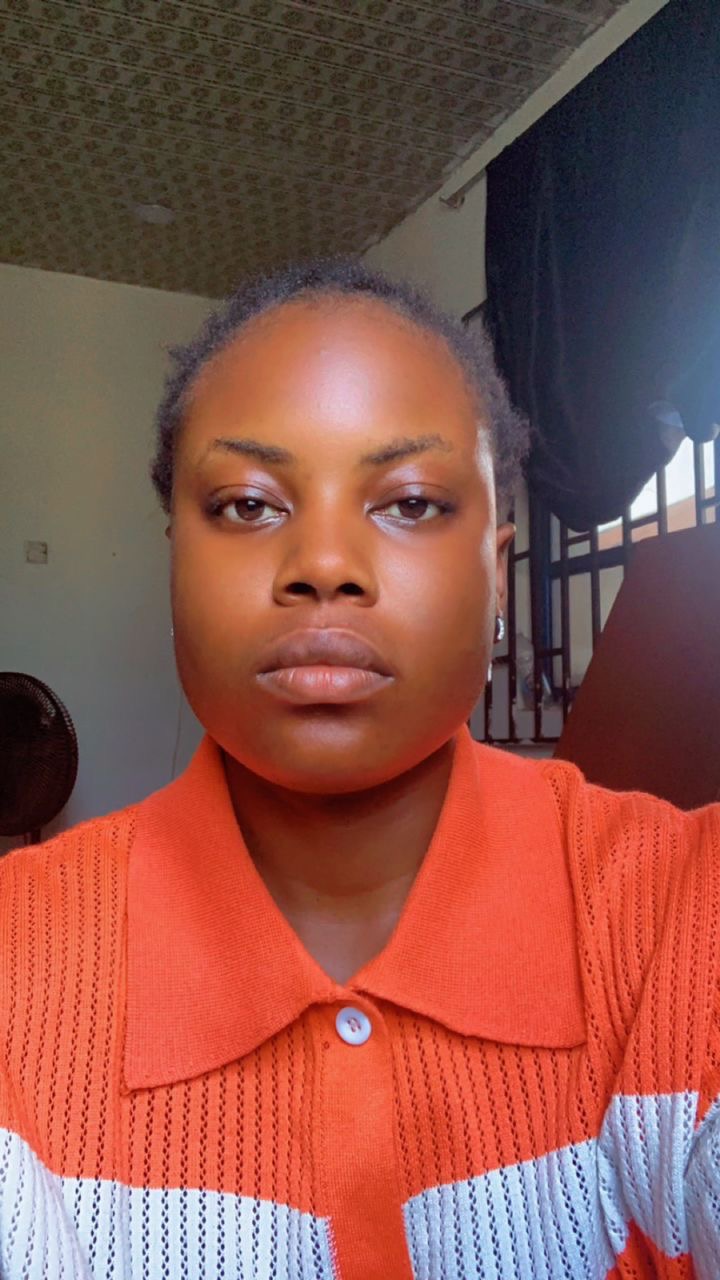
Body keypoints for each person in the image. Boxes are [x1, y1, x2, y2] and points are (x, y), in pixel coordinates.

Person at [0, 258, 718, 1280]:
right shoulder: (16, 963)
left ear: (497, 572)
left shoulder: (683, 909)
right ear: (176, 561)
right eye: (248, 505)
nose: (325, 564)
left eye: (411, 502)